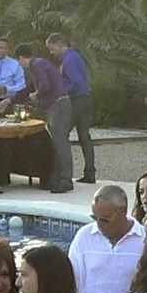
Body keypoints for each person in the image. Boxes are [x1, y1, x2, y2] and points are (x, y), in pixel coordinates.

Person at [70, 184, 146, 293]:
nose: (99, 224)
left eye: (105, 219)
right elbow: (73, 280)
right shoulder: (84, 236)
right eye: (95, 218)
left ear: (123, 211)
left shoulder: (144, 239)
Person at [16, 41, 75, 192]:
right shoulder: (38, 67)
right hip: (54, 105)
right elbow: (29, 87)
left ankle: (66, 179)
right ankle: (55, 178)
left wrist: (37, 94)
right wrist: (10, 100)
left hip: (59, 104)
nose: (20, 65)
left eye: (19, 61)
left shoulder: (37, 65)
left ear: (22, 58)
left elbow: (45, 86)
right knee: (56, 142)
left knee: (60, 142)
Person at [47, 33, 94, 184]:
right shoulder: (75, 56)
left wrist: (62, 91)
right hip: (86, 99)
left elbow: (77, 82)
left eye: (52, 49)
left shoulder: (69, 60)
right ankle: (90, 171)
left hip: (76, 101)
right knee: (84, 136)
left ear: (60, 45)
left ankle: (62, 174)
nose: (51, 52)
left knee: (60, 135)